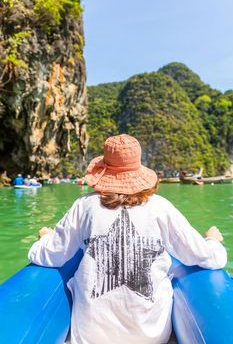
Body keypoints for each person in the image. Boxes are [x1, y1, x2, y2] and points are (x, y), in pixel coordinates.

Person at [28, 134, 227, 344]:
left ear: (104, 170)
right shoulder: (160, 207)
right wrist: (212, 241)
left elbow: (52, 256)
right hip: (150, 335)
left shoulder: (84, 206)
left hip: (90, 334)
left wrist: (44, 239)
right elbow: (204, 257)